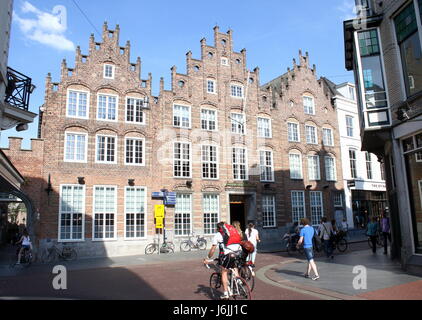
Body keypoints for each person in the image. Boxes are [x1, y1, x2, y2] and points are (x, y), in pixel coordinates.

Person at [203, 222, 242, 300]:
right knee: (234, 267)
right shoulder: (232, 232)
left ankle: (225, 293)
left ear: (218, 229)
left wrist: (207, 257)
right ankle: (238, 281)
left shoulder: (217, 235)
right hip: (238, 252)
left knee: (224, 272)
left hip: (228, 254)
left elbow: (213, 249)